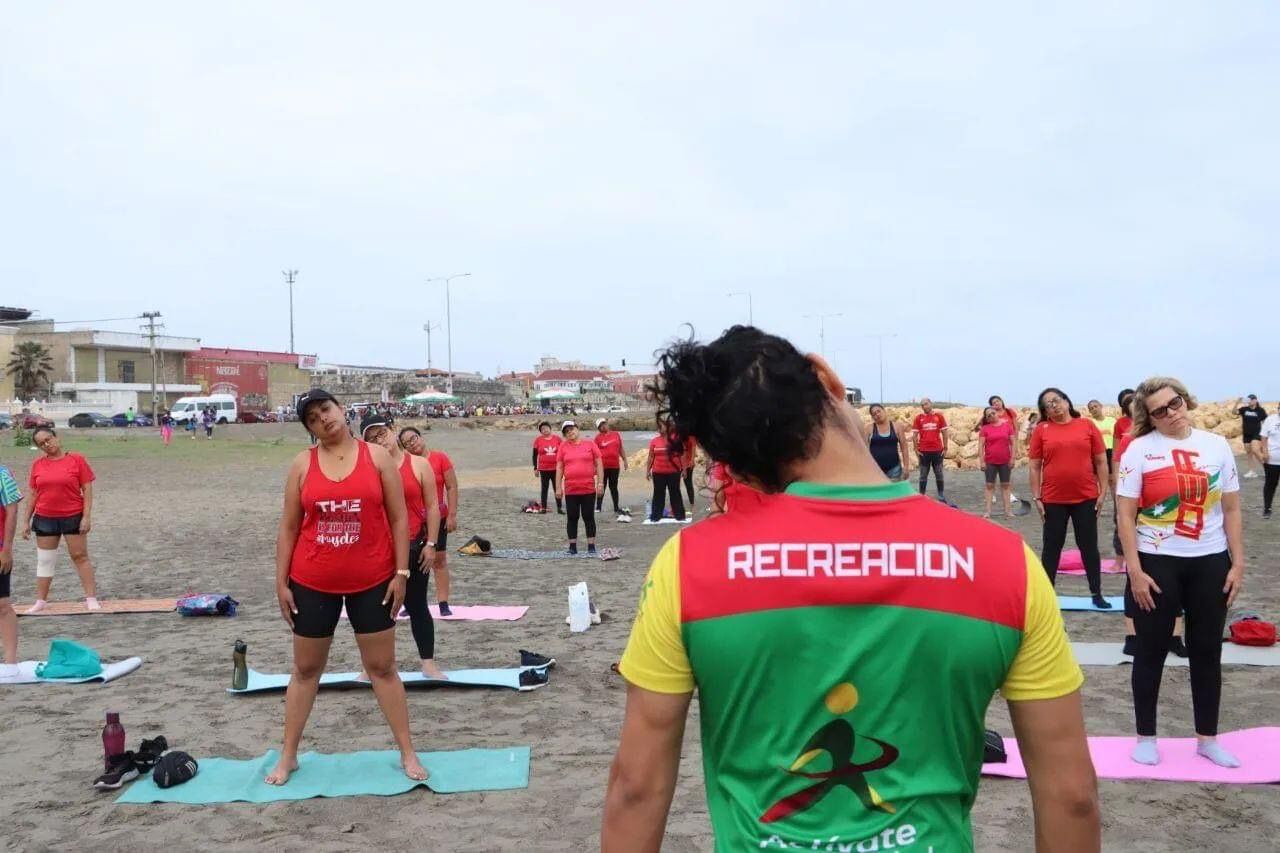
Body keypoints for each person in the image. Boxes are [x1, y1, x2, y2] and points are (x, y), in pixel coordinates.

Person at [603, 326, 1099, 851]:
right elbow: (1071, 795)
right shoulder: (1004, 562)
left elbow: (637, 787)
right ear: (827, 378)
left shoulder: (689, 565)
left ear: (741, 467)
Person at [267, 388, 426, 786]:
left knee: (383, 668)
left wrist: (401, 573)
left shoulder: (376, 457)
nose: (324, 418)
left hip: (372, 580)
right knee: (306, 670)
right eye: (313, 418)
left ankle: (407, 751)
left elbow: (398, 519)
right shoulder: (302, 464)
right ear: (309, 429)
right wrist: (280, 582)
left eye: (327, 409)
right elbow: (288, 527)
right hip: (312, 580)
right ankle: (289, 756)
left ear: (341, 409)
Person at [1117, 377, 1244, 768]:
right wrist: (1135, 571)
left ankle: (1207, 739)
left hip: (1210, 560)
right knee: (1150, 651)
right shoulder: (1138, 450)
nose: (1171, 413)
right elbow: (1125, 514)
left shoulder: (1216, 445)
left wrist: (1237, 563)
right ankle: (1146, 736)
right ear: (1149, 418)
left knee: (1207, 651)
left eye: (1174, 404)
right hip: (1157, 561)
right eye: (1160, 411)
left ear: (1185, 400)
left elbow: (1232, 509)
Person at [361, 414, 444, 679]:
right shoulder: (368, 469)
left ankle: (428, 663)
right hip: (380, 548)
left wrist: (431, 543)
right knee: (377, 608)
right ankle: (372, 666)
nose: (379, 441)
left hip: (414, 545)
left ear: (392, 430)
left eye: (381, 434)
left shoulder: (419, 464)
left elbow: (433, 506)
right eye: (371, 439)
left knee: (417, 604)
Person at [1028, 388, 1110, 608]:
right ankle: (1047, 596)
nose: (1054, 405)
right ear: (1044, 411)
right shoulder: (1042, 430)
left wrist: (1103, 492)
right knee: (1051, 547)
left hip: (1086, 497)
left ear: (1066, 400)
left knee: (1089, 546)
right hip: (1053, 499)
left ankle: (1096, 593)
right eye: (1047, 404)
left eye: (1056, 400)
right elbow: (1035, 466)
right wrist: (1037, 497)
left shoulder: (1087, 426)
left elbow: (1101, 461)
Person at [21, 427, 99, 613]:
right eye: (42, 443)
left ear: (56, 437)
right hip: (45, 517)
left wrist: (86, 517)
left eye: (48, 439)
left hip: (73, 515)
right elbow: (33, 494)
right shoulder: (38, 465)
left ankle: (91, 598)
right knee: (45, 560)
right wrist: (25, 521)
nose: (47, 444)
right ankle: (41, 601)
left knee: (80, 556)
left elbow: (87, 489)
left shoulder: (76, 460)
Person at [399, 426, 459, 616]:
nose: (412, 444)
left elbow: (451, 486)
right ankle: (413, 604)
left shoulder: (439, 458)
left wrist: (452, 515)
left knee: (439, 560)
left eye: (413, 438)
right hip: (415, 521)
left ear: (421, 437)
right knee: (412, 562)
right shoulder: (406, 464)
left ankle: (443, 603)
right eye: (407, 443)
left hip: (438, 517)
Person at [555, 421, 604, 554]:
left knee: (588, 516)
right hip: (571, 488)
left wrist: (600, 483)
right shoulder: (563, 446)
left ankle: (591, 546)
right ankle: (572, 547)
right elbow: (559, 467)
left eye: (571, 429)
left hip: (588, 488)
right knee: (572, 517)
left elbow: (599, 463)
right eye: (566, 432)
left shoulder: (590, 443)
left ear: (577, 429)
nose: (570, 432)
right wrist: (558, 487)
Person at [0, 463, 22, 679]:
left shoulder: (3, 474)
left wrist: (7, 549)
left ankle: (10, 662)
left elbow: (12, 510)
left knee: (2, 605)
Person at [978, 406, 1016, 518]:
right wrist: (982, 461)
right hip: (990, 461)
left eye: (993, 413)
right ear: (986, 418)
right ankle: (988, 512)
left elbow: (1013, 443)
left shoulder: (1007, 426)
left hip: (1005, 460)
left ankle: (1008, 511)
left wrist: (1013, 458)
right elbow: (981, 446)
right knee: (989, 485)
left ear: (997, 413)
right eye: (988, 415)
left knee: (1006, 485)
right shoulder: (985, 429)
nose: (991, 416)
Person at [645, 422, 686, 523]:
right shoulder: (654, 441)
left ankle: (679, 516)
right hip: (658, 472)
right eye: (657, 427)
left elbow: (682, 455)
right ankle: (656, 516)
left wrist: (684, 469)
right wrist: (647, 470)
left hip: (673, 472)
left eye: (661, 426)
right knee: (658, 494)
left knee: (675, 493)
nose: (659, 428)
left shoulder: (676, 440)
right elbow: (650, 457)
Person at [911, 398, 949, 502]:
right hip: (923, 452)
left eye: (926, 404)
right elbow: (914, 435)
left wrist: (945, 447)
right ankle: (921, 495)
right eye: (922, 405)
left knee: (939, 473)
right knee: (923, 475)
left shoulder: (939, 416)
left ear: (930, 403)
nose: (924, 406)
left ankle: (941, 494)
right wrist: (915, 449)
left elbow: (945, 433)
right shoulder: (918, 418)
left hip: (937, 451)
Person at [863, 404, 910, 481]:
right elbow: (864, 450)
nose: (877, 414)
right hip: (875, 469)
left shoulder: (897, 427)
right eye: (874, 414)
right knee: (878, 492)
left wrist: (906, 466)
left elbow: (904, 447)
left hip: (894, 469)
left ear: (884, 411)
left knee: (894, 492)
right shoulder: (869, 429)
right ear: (872, 417)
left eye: (879, 411)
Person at [594, 418, 627, 514]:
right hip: (602, 467)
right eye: (600, 425)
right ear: (598, 428)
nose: (603, 426)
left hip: (614, 466)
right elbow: (594, 454)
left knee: (613, 487)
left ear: (607, 424)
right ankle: (598, 507)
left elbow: (620, 448)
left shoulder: (616, 434)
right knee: (601, 486)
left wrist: (625, 460)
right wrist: (594, 466)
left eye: (604, 423)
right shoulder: (597, 438)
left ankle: (616, 507)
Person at [532, 422, 563, 514]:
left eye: (546, 428)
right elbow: (534, 455)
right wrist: (535, 468)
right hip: (544, 469)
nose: (545, 430)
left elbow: (563, 452)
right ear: (541, 432)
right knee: (544, 488)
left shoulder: (557, 439)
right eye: (542, 429)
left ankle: (559, 508)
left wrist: (564, 465)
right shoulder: (538, 440)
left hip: (556, 468)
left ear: (550, 428)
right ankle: (543, 508)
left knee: (557, 488)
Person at [1237, 395, 1267, 479]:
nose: (1249, 401)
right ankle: (1252, 471)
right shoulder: (1244, 409)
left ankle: (1268, 468)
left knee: (1255, 450)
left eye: (1250, 400)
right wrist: (1237, 402)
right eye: (1248, 400)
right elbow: (1233, 412)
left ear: (1255, 400)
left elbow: (1265, 422)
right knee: (1249, 453)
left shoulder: (1260, 410)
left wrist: (1266, 434)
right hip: (1246, 434)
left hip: (1257, 433)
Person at [1259, 407, 1280, 519]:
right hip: (1272, 460)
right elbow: (1263, 437)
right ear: (1278, 409)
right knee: (1270, 485)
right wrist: (1265, 452)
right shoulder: (1270, 420)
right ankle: (1267, 508)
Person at [1086, 400, 1117, 471]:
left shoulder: (1112, 420)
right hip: (1098, 453)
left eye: (1095, 406)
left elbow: (1116, 435)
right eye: (1091, 408)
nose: (1094, 409)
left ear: (1101, 406)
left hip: (1112, 450)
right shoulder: (1090, 423)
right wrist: (1106, 432)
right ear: (1090, 411)